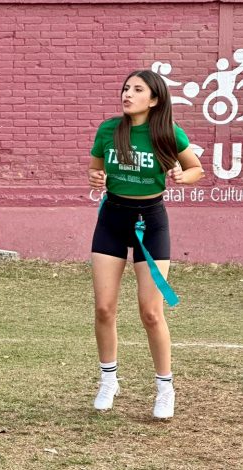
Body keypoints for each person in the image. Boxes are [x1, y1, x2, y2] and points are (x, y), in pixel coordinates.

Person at [88, 70, 203, 419]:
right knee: (104, 308)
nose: (128, 94)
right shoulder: (109, 130)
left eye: (137, 90)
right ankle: (108, 380)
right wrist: (96, 176)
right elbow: (95, 169)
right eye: (125, 88)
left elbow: (195, 167)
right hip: (112, 218)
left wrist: (185, 176)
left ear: (154, 99)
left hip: (150, 222)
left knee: (151, 312)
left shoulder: (167, 133)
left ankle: (164, 388)